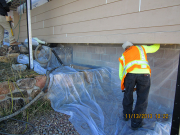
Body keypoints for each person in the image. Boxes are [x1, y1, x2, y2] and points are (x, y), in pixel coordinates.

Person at [118, 41, 160, 130]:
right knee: (142, 99)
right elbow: (154, 48)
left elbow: (120, 73)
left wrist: (126, 83)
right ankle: (136, 123)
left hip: (129, 76)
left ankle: (126, 115)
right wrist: (158, 39)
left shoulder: (123, 55)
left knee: (127, 95)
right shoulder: (141, 48)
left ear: (125, 48)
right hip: (144, 75)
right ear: (132, 45)